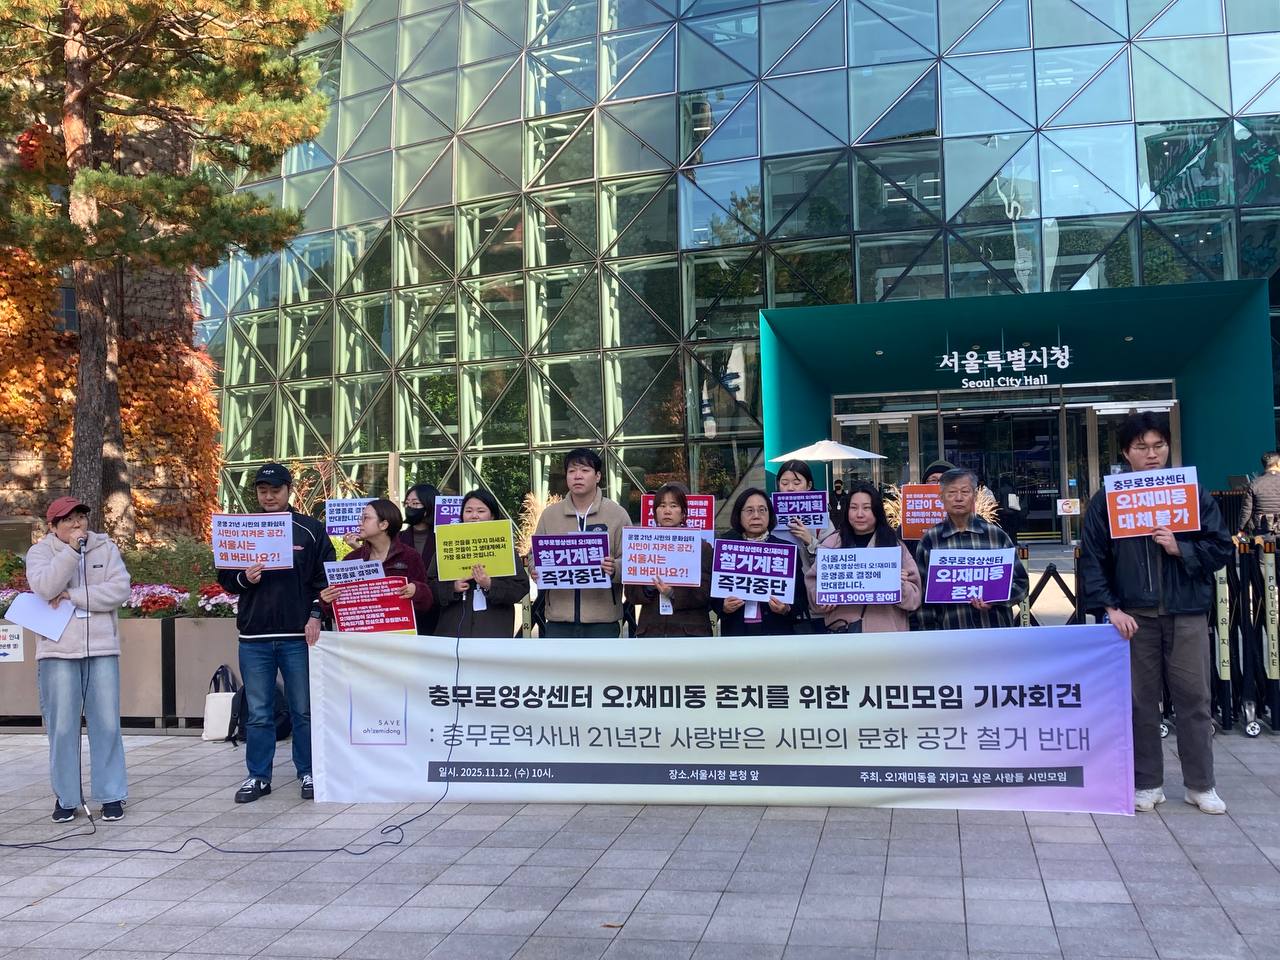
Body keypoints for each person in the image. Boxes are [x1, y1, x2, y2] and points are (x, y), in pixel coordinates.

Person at [1079, 413, 1233, 815]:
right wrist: (1111, 607)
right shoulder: (1107, 500)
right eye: (1141, 447)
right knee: (1139, 702)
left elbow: (1221, 547)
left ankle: (1201, 784)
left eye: (1158, 446)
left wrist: (1182, 548)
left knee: (1194, 698)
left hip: (1186, 611)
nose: (1151, 454)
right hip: (1134, 617)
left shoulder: (1191, 493)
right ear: (1126, 453)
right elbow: (1093, 558)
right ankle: (1148, 783)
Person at [216, 463, 334, 804]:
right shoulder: (241, 529)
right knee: (259, 712)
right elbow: (225, 577)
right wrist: (244, 578)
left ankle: (309, 772)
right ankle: (258, 776)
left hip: (299, 636)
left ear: (288, 490)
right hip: (254, 636)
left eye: (275, 490)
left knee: (303, 709)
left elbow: (325, 580)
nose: (268, 496)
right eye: (262, 491)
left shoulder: (310, 530)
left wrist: (315, 615)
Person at [25, 497, 132, 823]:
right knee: (62, 727)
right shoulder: (40, 553)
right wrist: (72, 553)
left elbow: (120, 590)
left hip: (101, 649)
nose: (77, 525)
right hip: (57, 652)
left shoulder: (105, 548)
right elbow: (45, 587)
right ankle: (67, 798)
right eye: (68, 520)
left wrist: (74, 596)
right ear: (53, 527)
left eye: (81, 518)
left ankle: (111, 795)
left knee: (107, 724)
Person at [915, 467, 1028, 631]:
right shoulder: (930, 540)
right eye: (951, 492)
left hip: (995, 632)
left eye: (965, 492)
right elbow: (923, 595)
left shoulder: (996, 536)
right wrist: (930, 634)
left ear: (974, 496)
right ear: (941, 497)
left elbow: (1021, 584)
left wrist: (995, 598)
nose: (958, 498)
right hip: (950, 634)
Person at [533, 448, 629, 638]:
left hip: (602, 620)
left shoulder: (616, 514)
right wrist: (534, 568)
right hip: (559, 620)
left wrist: (615, 568)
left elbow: (632, 560)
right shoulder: (550, 515)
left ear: (598, 476)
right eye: (572, 471)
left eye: (585, 470)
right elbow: (534, 554)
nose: (577, 476)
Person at [806, 480, 921, 633]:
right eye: (853, 508)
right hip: (844, 636)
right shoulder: (831, 545)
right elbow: (813, 590)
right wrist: (822, 599)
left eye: (867, 508)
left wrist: (897, 585)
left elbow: (915, 599)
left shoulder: (895, 546)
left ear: (877, 511)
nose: (859, 514)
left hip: (888, 637)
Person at [430, 490, 529, 638]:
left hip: (493, 631)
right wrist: (452, 588)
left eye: (481, 511)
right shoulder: (447, 545)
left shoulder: (503, 546)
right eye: (468, 511)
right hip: (452, 631)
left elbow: (521, 587)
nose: (474, 516)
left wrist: (490, 584)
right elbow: (429, 587)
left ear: (492, 516)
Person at [320, 499, 431, 624]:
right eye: (360, 518)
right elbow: (340, 613)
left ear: (384, 525)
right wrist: (327, 601)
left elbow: (427, 603)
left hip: (399, 631)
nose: (360, 523)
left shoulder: (409, 556)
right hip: (362, 632)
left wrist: (417, 591)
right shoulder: (352, 559)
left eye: (366, 518)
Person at [624, 483, 713, 637]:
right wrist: (649, 586)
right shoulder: (642, 546)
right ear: (655, 512)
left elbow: (707, 592)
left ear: (683, 512)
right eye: (662, 505)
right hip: (652, 632)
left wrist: (673, 592)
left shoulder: (701, 547)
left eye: (673, 506)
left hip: (690, 633)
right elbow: (630, 593)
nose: (667, 511)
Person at [714, 488, 800, 636]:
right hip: (737, 633)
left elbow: (801, 597)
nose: (756, 516)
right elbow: (713, 594)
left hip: (776, 632)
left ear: (770, 515)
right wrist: (723, 606)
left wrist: (786, 608)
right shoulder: (725, 549)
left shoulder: (786, 551)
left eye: (762, 510)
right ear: (739, 515)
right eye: (749, 510)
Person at [772, 459, 823, 632]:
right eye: (784, 483)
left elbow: (833, 562)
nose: (790, 488)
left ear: (809, 486)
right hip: (777, 603)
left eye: (796, 482)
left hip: (813, 607)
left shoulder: (822, 520)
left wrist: (810, 541)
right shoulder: (767, 516)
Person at [399, 482, 442, 634]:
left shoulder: (444, 538)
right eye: (407, 503)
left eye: (415, 503)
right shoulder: (397, 538)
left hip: (439, 614)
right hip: (406, 612)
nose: (410, 507)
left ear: (429, 506)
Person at [1239, 451, 1280, 537]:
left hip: (1262, 532)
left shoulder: (1254, 483)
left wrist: (1241, 529)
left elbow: (1246, 510)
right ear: (1278, 463)